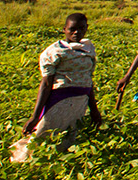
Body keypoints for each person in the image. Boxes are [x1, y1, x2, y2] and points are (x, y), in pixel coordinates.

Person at [10, 12, 101, 161]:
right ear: (64, 29)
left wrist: (94, 110)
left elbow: (88, 80)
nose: (76, 32)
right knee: (44, 137)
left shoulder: (88, 48)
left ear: (87, 28)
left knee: (68, 138)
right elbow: (46, 84)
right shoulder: (54, 51)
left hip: (80, 100)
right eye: (72, 29)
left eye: (81, 28)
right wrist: (34, 117)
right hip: (60, 100)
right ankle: (27, 160)